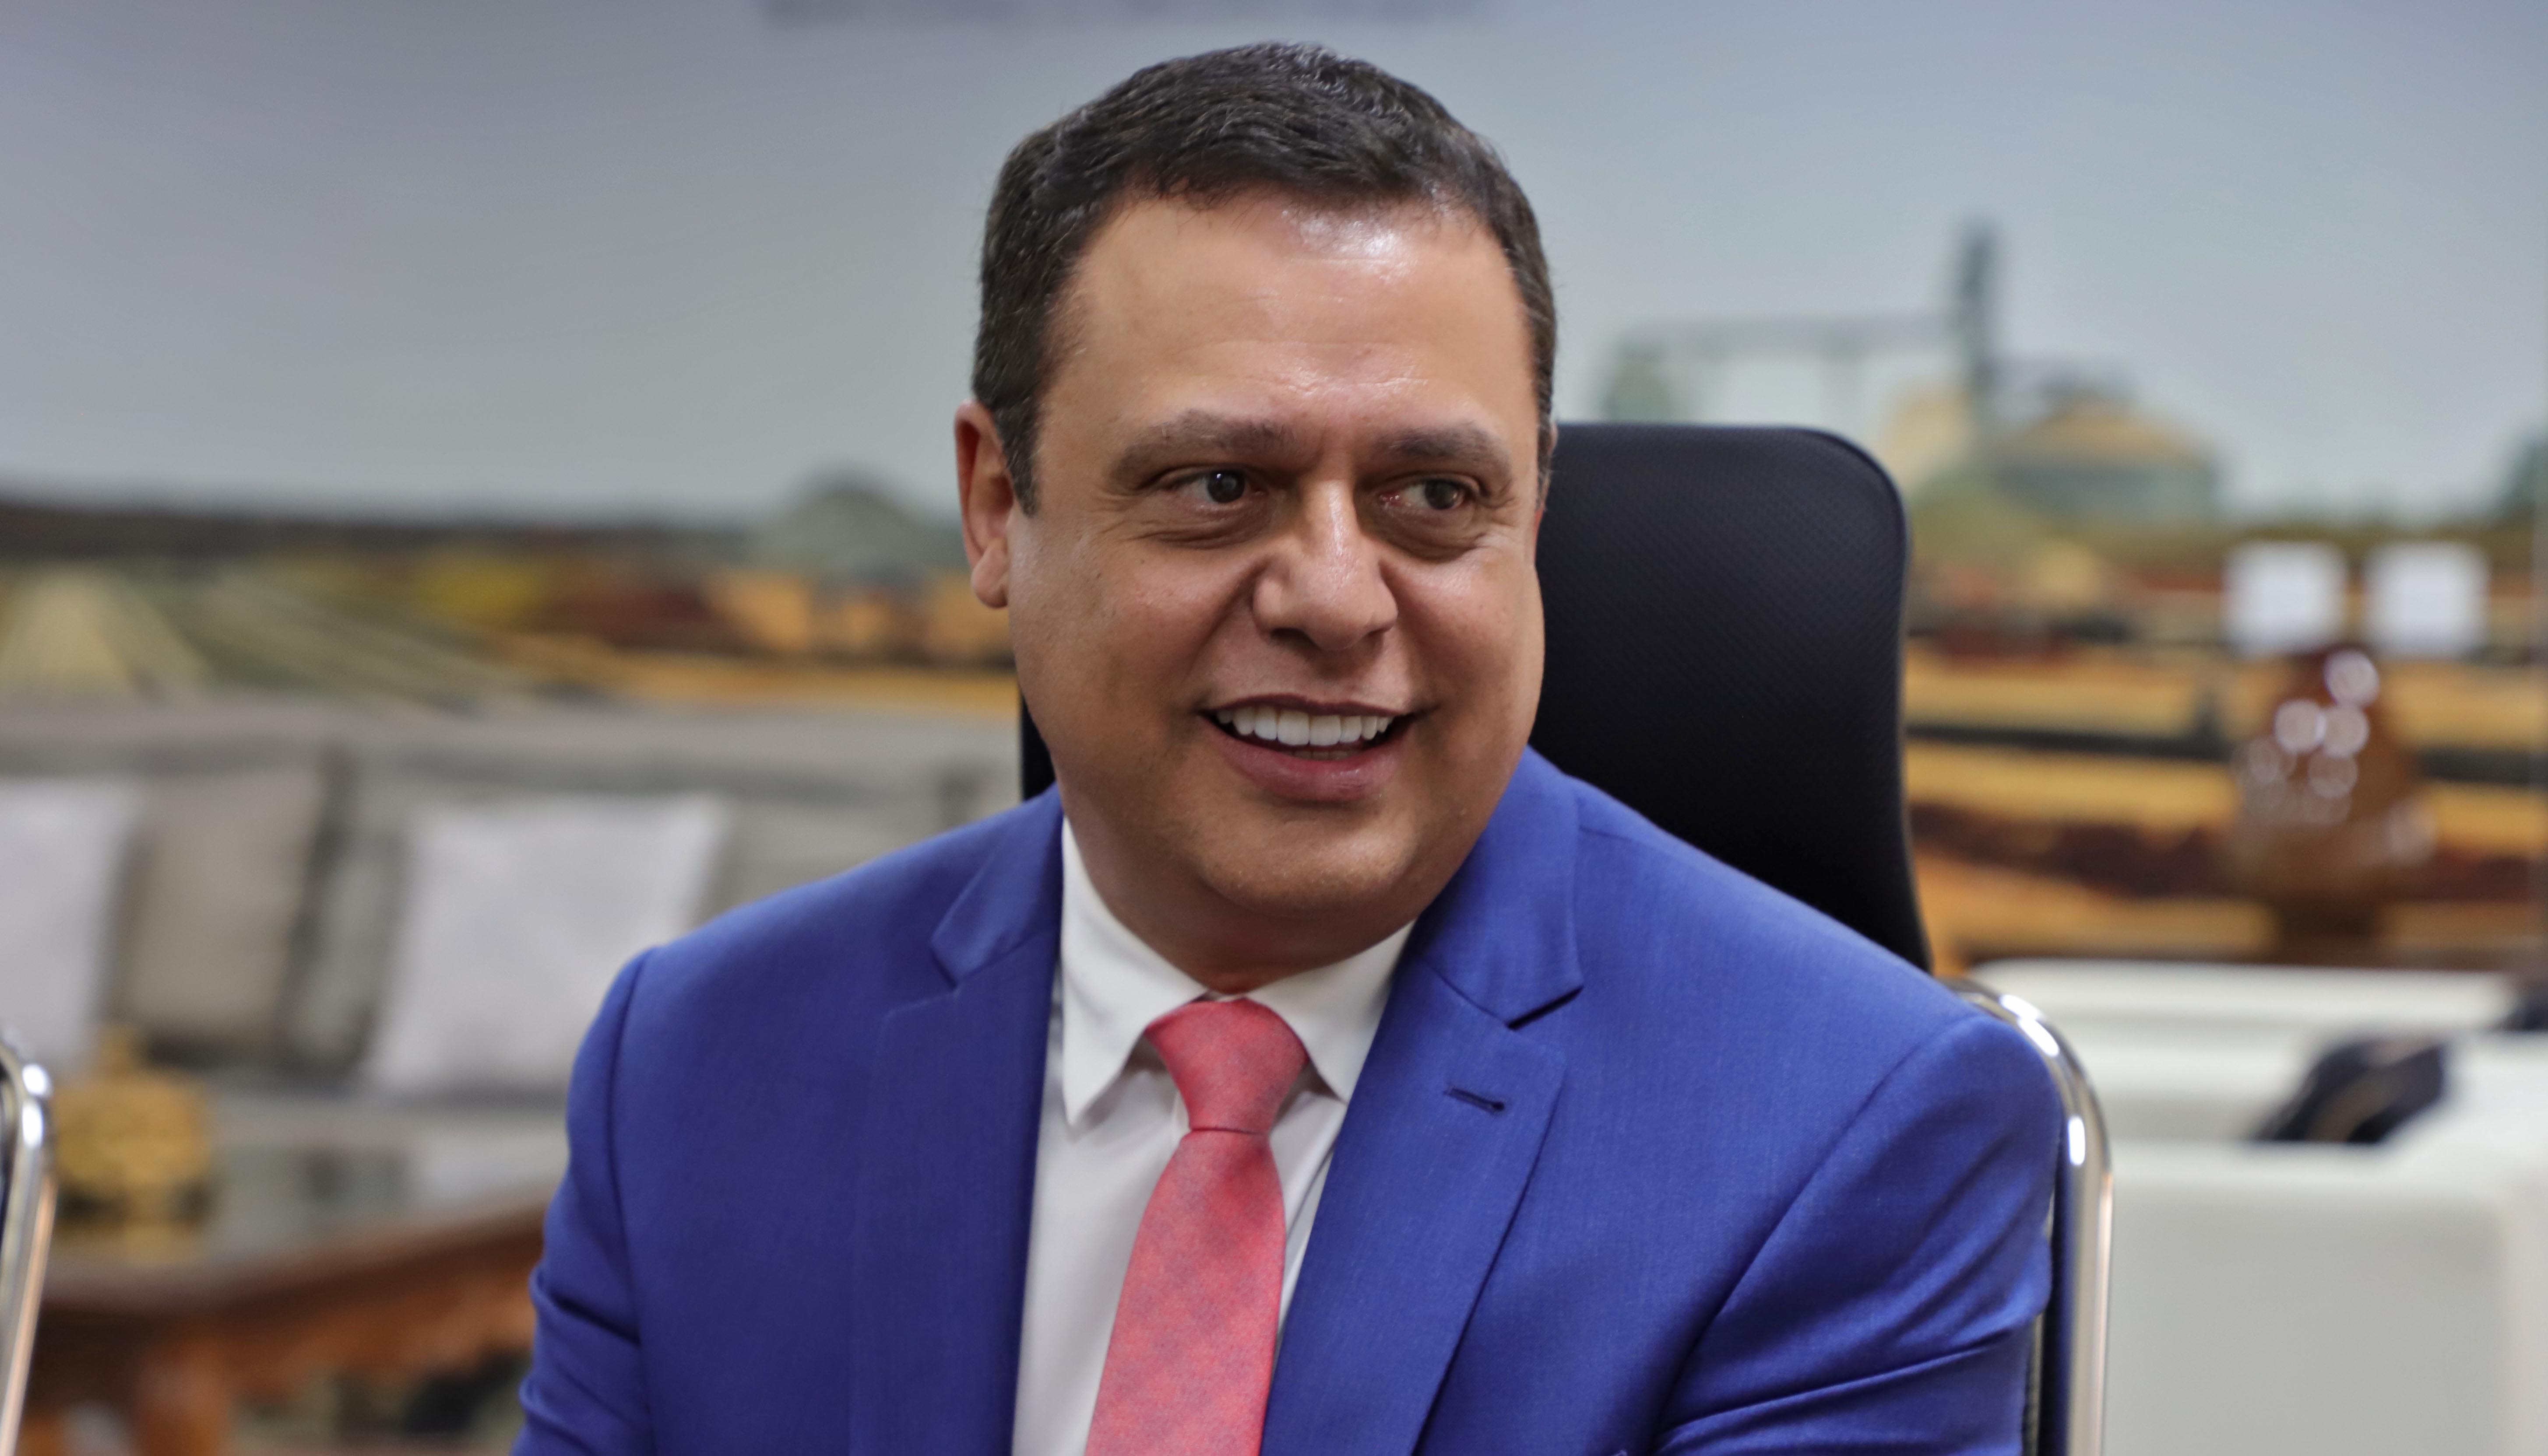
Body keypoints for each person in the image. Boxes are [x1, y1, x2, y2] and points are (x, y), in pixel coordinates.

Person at [514, 42, 2058, 1456]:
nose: (1333, 598)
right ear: (996, 509)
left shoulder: (1855, 1126)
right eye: (1216, 485)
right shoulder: (699, 1064)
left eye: (1433, 498)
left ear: (1532, 517)